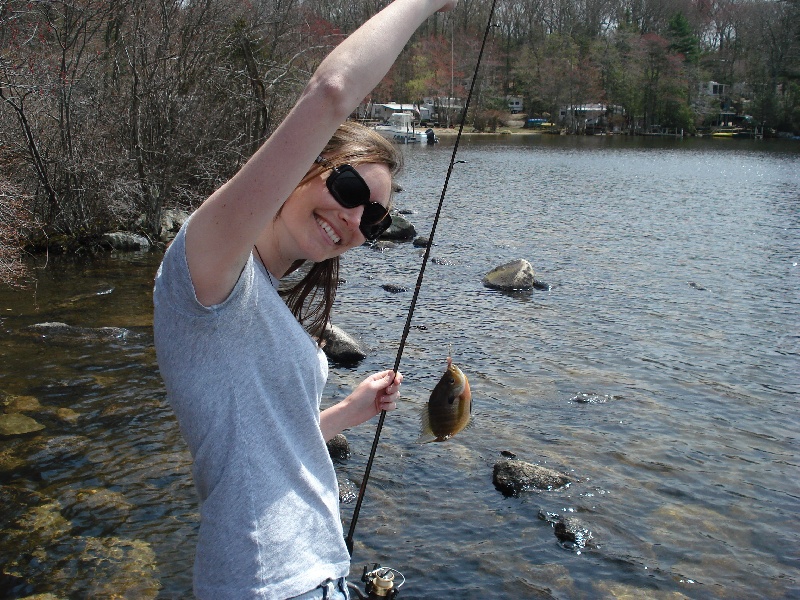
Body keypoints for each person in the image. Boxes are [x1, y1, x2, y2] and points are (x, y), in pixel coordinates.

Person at [153, 0, 457, 598]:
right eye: (346, 187)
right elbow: (332, 89)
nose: (352, 219)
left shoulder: (257, 295)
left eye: (371, 218)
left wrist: (350, 411)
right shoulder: (207, 270)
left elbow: (265, 447)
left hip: (316, 574)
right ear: (306, 165)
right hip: (274, 582)